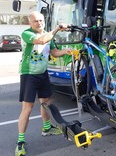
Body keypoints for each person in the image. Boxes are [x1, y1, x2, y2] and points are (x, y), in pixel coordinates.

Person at [15, 11, 72, 156]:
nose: (39, 23)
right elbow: (40, 40)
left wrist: (65, 51)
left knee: (46, 102)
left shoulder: (48, 35)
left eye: (41, 20)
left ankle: (46, 128)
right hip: (29, 74)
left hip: (42, 74)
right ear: (30, 23)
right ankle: (20, 142)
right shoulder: (27, 33)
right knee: (27, 108)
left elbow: (53, 52)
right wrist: (57, 28)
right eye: (36, 21)